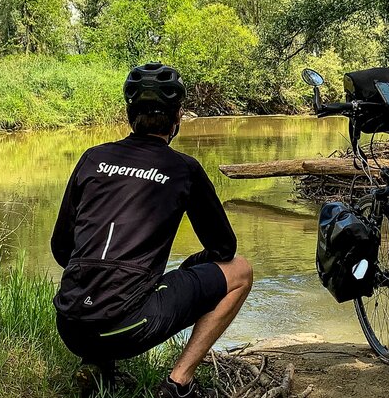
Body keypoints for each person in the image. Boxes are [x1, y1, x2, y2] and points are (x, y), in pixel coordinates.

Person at [51, 62, 253, 398]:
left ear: (129, 114)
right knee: (241, 272)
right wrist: (193, 264)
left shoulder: (92, 158)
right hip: (126, 329)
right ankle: (178, 384)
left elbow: (62, 249)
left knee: (115, 278)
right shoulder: (183, 169)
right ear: (177, 118)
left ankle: (98, 363)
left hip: (70, 325)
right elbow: (225, 249)